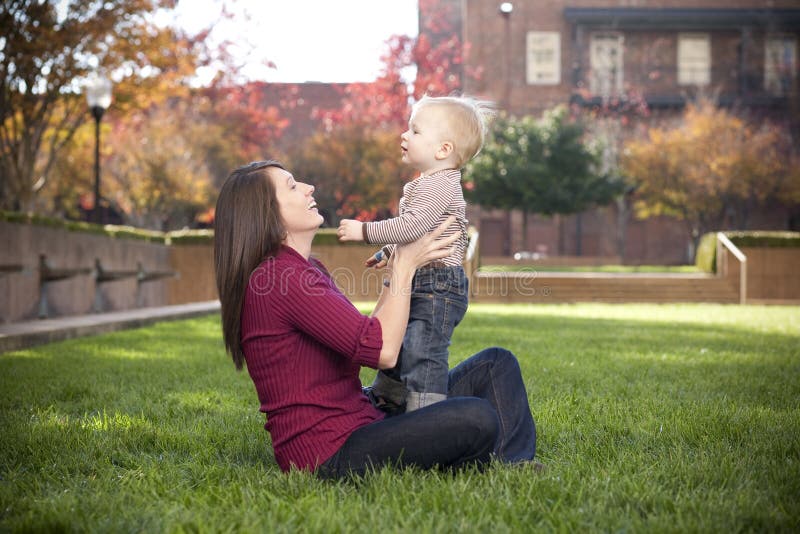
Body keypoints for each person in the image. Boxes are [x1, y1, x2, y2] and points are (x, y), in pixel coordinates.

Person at [214, 159, 537, 479]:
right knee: (475, 417)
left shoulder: (305, 268)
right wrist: (404, 268)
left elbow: (368, 335)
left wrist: (398, 264)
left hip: (365, 415)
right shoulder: (281, 277)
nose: (309, 188)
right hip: (328, 451)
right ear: (267, 212)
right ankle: (482, 458)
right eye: (293, 186)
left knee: (496, 364)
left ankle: (512, 466)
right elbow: (383, 352)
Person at [337, 95, 494, 413]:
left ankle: (426, 413)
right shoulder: (428, 183)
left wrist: (364, 232)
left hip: (438, 285)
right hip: (425, 278)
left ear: (443, 150)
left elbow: (411, 227)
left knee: (424, 349)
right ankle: (389, 398)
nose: (404, 136)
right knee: (402, 336)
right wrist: (387, 252)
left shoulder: (439, 186)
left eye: (415, 131)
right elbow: (416, 233)